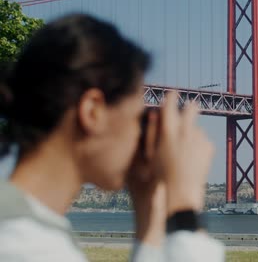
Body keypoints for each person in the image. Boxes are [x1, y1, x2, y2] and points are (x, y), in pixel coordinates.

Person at [0, 14, 224, 261]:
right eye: (137, 119)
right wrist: (184, 208)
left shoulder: (26, 229)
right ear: (92, 111)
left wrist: (149, 210)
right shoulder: (26, 245)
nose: (139, 138)